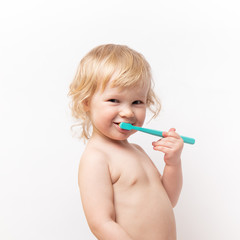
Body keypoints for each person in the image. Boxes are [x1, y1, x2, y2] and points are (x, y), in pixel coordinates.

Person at [68, 44, 184, 240]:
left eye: (137, 102)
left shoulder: (137, 150)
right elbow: (101, 223)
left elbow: (169, 199)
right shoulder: (97, 158)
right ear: (86, 102)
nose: (128, 112)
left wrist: (173, 163)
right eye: (114, 100)